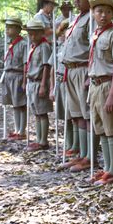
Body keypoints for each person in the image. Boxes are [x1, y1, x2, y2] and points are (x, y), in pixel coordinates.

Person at [87, 0, 113, 185]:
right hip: (95, 85)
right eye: (99, 11)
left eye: (108, 12)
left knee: (112, 128)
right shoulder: (96, 34)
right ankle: (108, 167)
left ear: (112, 14)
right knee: (101, 128)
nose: (103, 15)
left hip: (107, 85)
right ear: (93, 13)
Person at [59, 0, 96, 173]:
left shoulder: (92, 18)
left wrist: (91, 73)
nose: (76, 0)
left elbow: (93, 49)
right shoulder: (75, 19)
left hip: (83, 70)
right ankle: (82, 154)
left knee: (87, 114)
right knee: (77, 114)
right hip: (70, 70)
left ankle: (90, 156)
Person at [49, 19, 79, 157]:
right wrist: (52, 87)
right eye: (61, 31)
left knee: (74, 115)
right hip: (60, 81)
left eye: (66, 30)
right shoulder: (59, 47)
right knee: (65, 116)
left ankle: (76, 145)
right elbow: (52, 68)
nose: (63, 34)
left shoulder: (74, 47)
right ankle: (68, 144)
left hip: (70, 81)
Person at [23, 19, 53, 152]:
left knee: (42, 112)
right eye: (30, 34)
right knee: (36, 112)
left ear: (42, 33)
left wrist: (43, 85)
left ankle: (43, 141)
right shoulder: (32, 47)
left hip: (40, 82)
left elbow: (46, 66)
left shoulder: (44, 46)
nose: (32, 37)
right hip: (32, 82)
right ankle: (38, 139)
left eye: (35, 34)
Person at [1, 17, 28, 140]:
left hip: (18, 76)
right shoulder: (9, 44)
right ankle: (17, 129)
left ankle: (22, 131)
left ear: (18, 29)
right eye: (7, 27)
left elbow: (25, 64)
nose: (7, 29)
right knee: (14, 104)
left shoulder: (23, 44)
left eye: (10, 27)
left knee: (21, 104)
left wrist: (24, 80)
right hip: (9, 76)